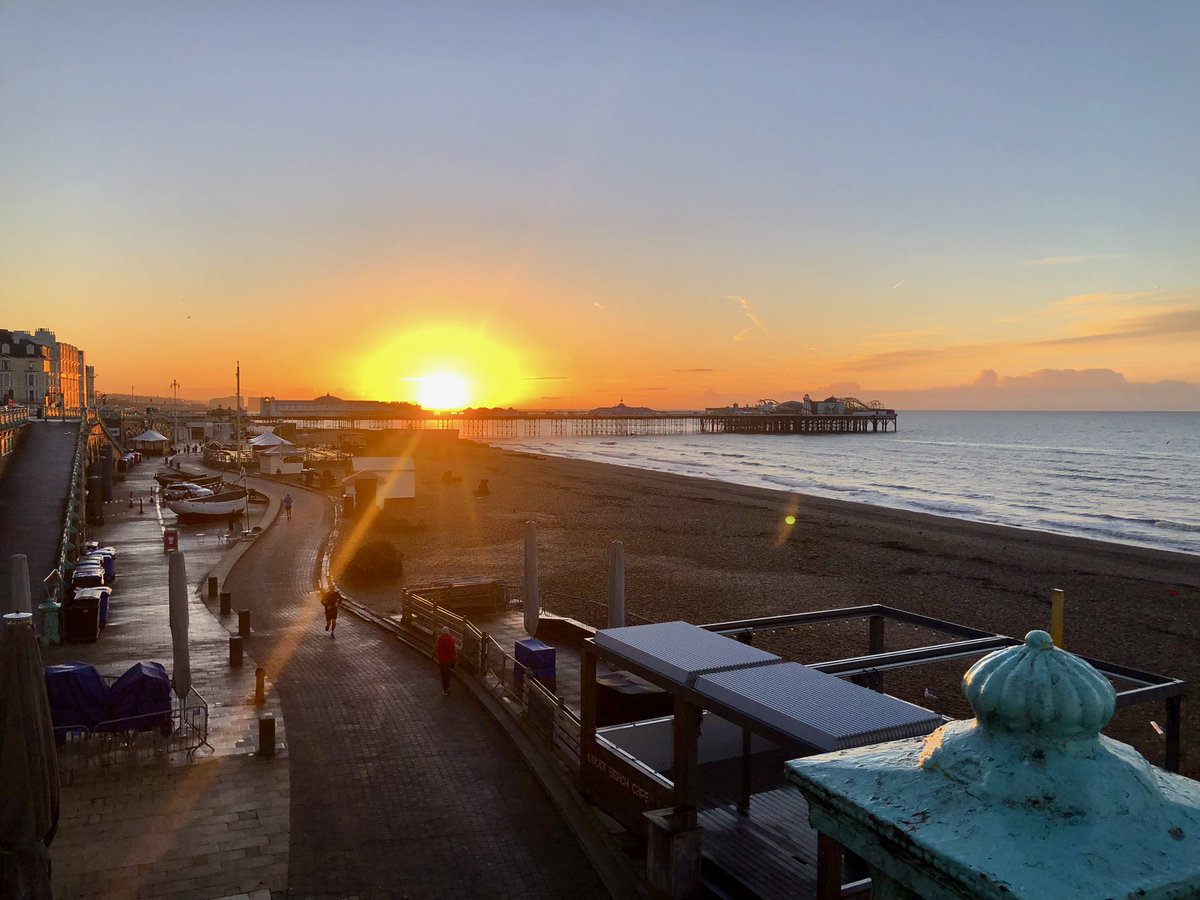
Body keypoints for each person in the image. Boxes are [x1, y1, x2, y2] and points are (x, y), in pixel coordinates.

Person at [435, 627, 456, 695]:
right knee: (448, 674)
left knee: (443, 675)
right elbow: (453, 650)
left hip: (442, 660)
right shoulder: (451, 639)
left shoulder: (439, 640)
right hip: (449, 660)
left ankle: (445, 690)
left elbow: (437, 649)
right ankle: (448, 687)